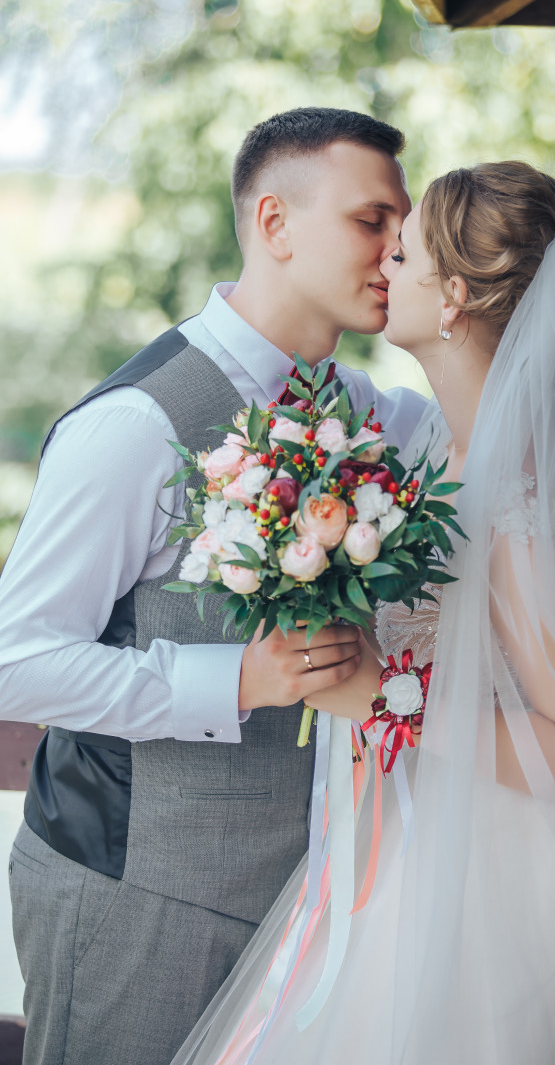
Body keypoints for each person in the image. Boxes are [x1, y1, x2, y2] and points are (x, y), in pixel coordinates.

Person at [169, 162, 555, 1065]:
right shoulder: (447, 446)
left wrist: (380, 694)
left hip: (495, 875)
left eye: (401, 254)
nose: (381, 269)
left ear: (452, 299)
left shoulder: (519, 490)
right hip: (427, 826)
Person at [1, 107, 431, 1065]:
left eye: (405, 226)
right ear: (275, 224)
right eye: (374, 221)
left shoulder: (358, 409)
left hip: (294, 908)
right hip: (134, 902)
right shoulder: (135, 426)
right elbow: (14, 661)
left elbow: (499, 418)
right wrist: (234, 680)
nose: (400, 248)